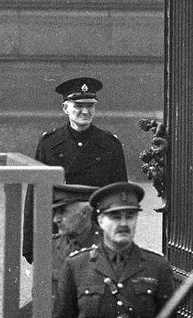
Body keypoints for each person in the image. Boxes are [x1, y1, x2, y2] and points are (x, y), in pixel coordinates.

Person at [53, 181, 178, 318]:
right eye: (115, 216)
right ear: (101, 221)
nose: (123, 224)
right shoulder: (76, 266)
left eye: (130, 216)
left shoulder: (157, 267)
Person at [24, 77, 128, 263]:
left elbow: (120, 197)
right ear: (66, 108)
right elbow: (35, 195)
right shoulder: (49, 144)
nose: (85, 111)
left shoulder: (110, 144)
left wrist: (121, 240)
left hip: (97, 231)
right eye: (78, 106)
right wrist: (30, 245)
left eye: (90, 106)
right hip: (60, 231)